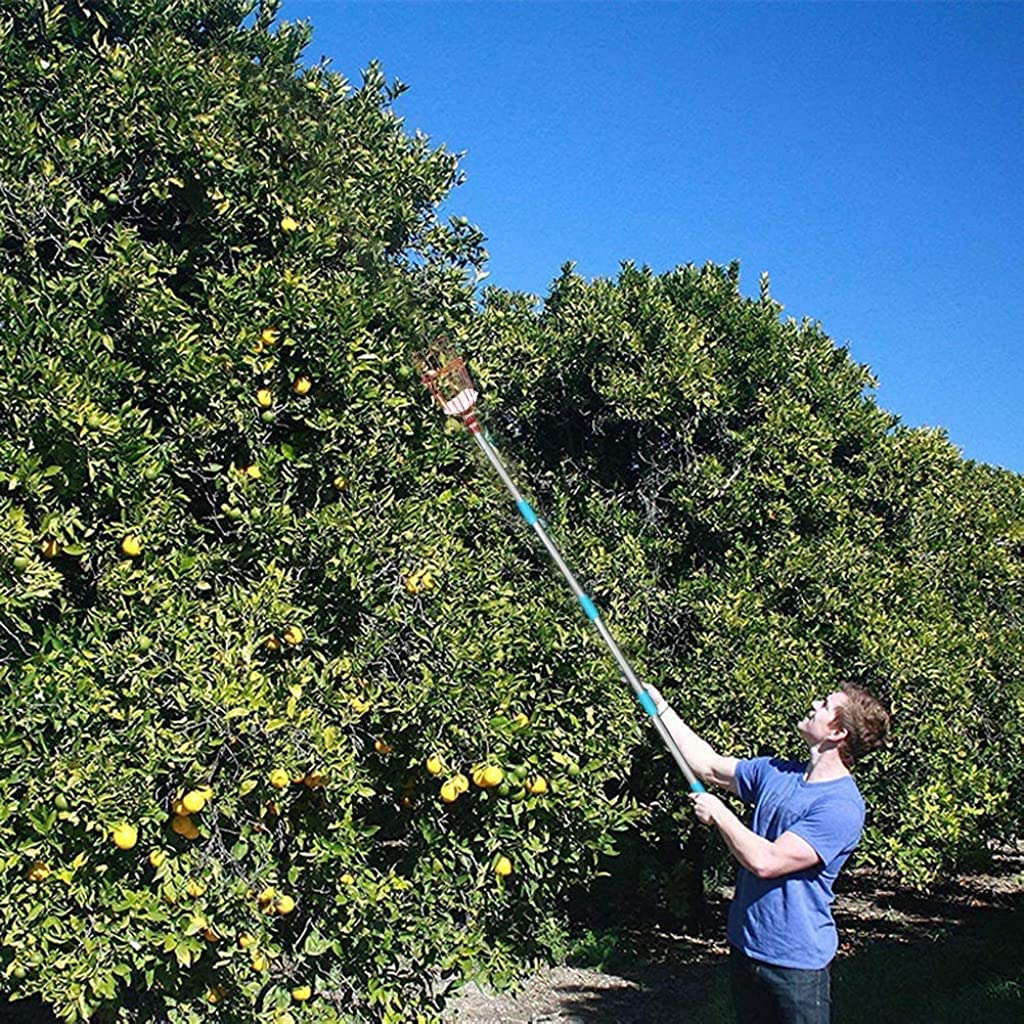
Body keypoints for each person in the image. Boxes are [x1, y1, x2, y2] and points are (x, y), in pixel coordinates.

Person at [645, 682, 890, 1024]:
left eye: (825, 705)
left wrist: (720, 814)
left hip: (795, 966)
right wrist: (660, 708)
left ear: (838, 733)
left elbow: (767, 861)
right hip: (746, 948)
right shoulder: (777, 772)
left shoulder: (840, 806)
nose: (814, 703)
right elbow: (708, 766)